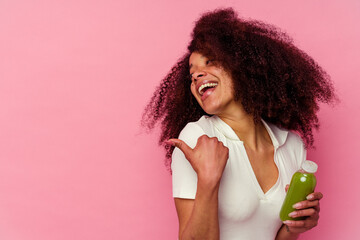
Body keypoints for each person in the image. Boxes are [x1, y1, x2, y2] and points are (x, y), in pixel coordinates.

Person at [142, 8, 336, 240]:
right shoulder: (197, 138)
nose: (196, 76)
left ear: (242, 65)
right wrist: (208, 179)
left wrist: (294, 227)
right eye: (191, 74)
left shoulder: (291, 145)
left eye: (210, 61)